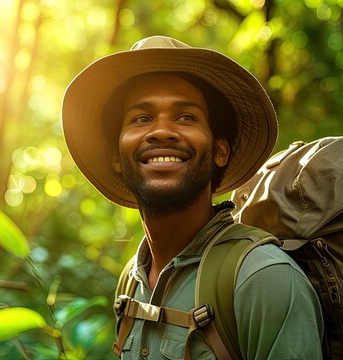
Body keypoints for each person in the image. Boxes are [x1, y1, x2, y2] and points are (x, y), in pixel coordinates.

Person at [61, 36, 323, 359]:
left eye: (186, 117)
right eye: (141, 118)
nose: (161, 131)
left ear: (220, 151)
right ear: (116, 156)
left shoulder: (263, 280)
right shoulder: (132, 281)